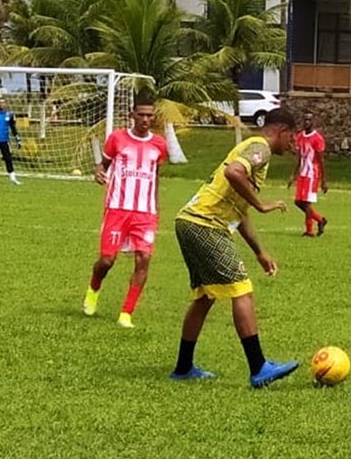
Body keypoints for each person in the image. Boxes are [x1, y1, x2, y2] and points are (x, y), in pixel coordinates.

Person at [171, 107, 300, 387]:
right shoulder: (261, 147)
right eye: (292, 138)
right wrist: (262, 204)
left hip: (189, 222)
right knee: (242, 289)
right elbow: (234, 173)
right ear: (282, 131)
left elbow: (238, 212)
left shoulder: (250, 149)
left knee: (205, 296)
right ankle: (258, 368)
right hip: (206, 224)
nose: (292, 145)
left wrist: (259, 252)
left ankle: (183, 368)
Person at [82, 91, 168, 329]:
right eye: (141, 115)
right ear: (132, 115)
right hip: (117, 209)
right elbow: (104, 165)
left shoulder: (159, 144)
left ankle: (126, 313)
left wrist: (155, 205)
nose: (145, 119)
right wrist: (99, 172)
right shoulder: (117, 138)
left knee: (144, 259)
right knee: (107, 261)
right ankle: (93, 289)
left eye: (150, 115)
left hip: (145, 213)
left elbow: (156, 175)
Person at [289, 110, 328, 236]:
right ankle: (320, 219)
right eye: (305, 119)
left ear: (313, 122)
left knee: (307, 203)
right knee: (298, 201)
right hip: (303, 173)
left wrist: (324, 180)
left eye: (309, 120)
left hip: (312, 174)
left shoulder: (318, 138)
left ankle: (309, 230)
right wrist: (293, 175)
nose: (307, 122)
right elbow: (299, 158)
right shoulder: (300, 136)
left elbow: (321, 160)